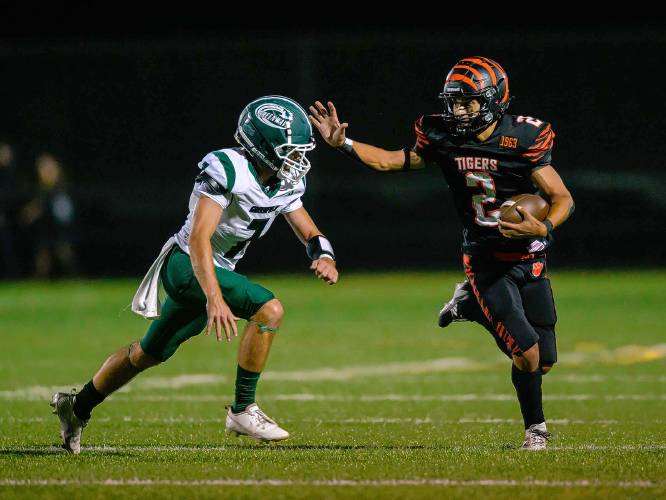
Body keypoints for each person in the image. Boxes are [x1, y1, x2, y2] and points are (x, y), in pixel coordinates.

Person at [309, 57, 574, 450]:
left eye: (469, 101)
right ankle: (535, 430)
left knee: (544, 361)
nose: (460, 110)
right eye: (455, 101)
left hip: (528, 259)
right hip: (484, 259)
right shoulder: (442, 134)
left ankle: (468, 305)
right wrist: (342, 143)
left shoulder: (522, 138)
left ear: (495, 99)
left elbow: (561, 197)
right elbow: (390, 160)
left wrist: (544, 227)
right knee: (526, 351)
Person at [51, 96, 339, 454]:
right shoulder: (228, 167)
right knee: (269, 309)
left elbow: (309, 232)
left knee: (147, 353)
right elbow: (201, 238)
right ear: (262, 146)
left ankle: (76, 408)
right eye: (290, 150)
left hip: (214, 272)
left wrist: (325, 255)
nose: (298, 159)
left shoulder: (283, 182)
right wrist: (215, 296)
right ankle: (242, 409)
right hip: (186, 265)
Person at [21, 153, 78, 278]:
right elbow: (39, 203)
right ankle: (40, 278)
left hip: (57, 225)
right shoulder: (42, 188)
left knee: (63, 251)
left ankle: (73, 276)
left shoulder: (60, 186)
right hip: (46, 225)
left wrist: (33, 211)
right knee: (43, 252)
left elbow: (49, 204)